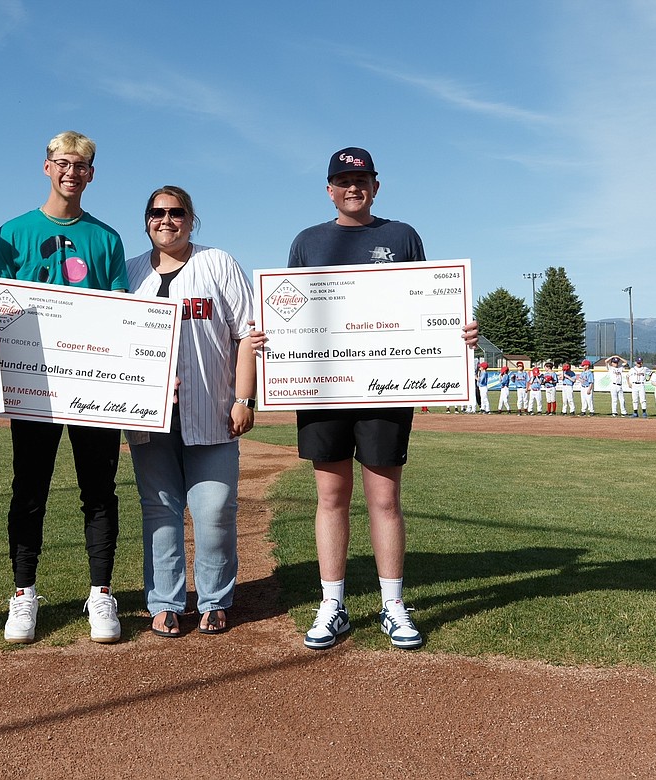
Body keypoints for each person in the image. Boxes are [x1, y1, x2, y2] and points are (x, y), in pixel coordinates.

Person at [274, 146, 478, 650]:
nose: (353, 187)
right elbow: (291, 316)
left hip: (385, 389)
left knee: (384, 498)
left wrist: (458, 332)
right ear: (329, 189)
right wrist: (269, 341)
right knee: (331, 497)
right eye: (343, 180)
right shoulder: (307, 241)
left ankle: (392, 605)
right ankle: (333, 604)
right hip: (323, 390)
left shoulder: (401, 236)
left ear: (376, 185)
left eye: (361, 179)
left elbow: (427, 304)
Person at [0, 130, 129, 645]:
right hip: (35, 386)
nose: (71, 172)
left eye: (82, 166)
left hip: (91, 384)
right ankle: (24, 593)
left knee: (99, 492)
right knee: (29, 491)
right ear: (46, 167)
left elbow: (119, 314)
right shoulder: (13, 232)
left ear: (92, 175)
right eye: (62, 163)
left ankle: (101, 592)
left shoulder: (107, 239)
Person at [124, 186, 256, 637]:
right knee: (159, 509)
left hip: (214, 408)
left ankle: (215, 598)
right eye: (157, 213)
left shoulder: (216, 262)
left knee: (214, 508)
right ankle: (165, 601)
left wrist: (244, 398)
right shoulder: (130, 273)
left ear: (191, 219)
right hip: (149, 416)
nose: (166, 220)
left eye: (176, 212)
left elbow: (246, 335)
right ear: (146, 220)